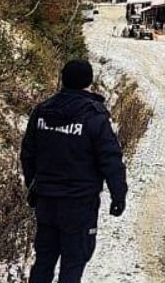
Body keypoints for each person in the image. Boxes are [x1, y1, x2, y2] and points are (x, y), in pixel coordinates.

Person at [20, 59, 128, 283]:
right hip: (80, 205)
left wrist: (34, 186)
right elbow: (111, 159)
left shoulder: (42, 112)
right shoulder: (94, 117)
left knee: (43, 261)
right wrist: (118, 195)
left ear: (63, 80)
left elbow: (28, 153)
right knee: (73, 264)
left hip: (47, 202)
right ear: (89, 82)